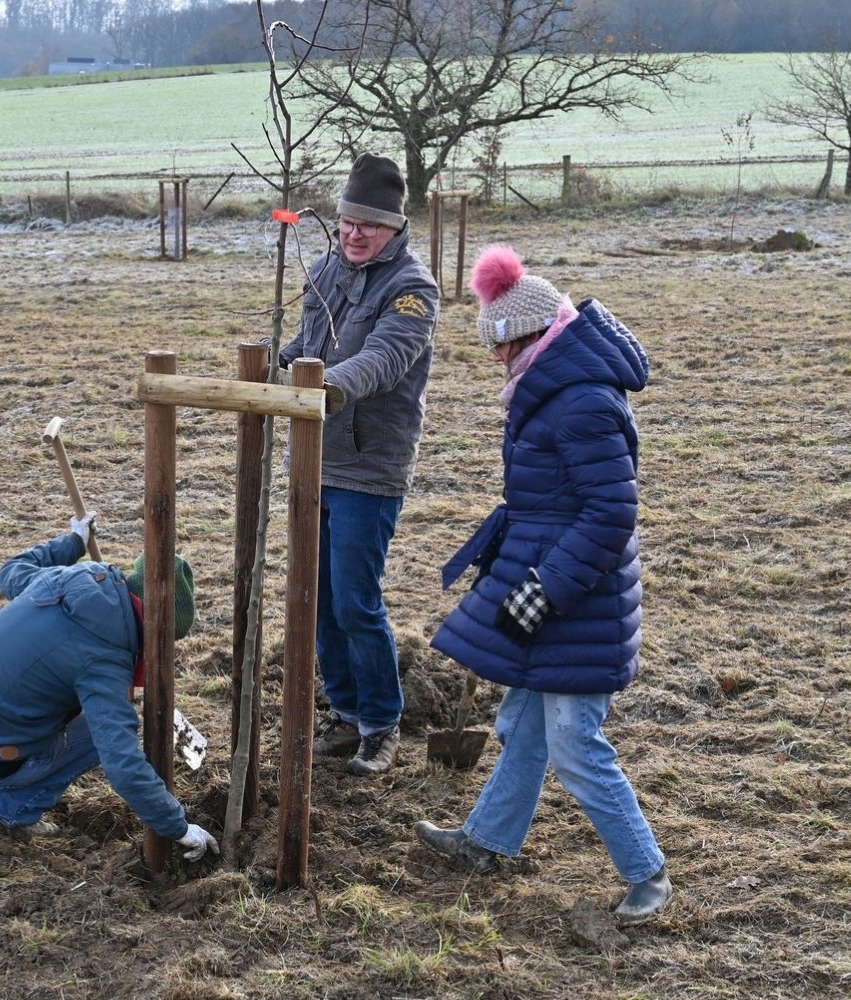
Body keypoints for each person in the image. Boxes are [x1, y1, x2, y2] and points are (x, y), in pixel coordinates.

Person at [413, 246, 672, 926]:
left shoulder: (581, 401)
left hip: (578, 601)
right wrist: (507, 560)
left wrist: (548, 588)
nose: (498, 361)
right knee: (522, 725)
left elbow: (611, 514)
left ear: (538, 334)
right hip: (545, 587)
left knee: (574, 743)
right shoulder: (550, 390)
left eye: (504, 347)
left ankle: (648, 874)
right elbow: (552, 505)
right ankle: (486, 840)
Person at [0, 512, 219, 861]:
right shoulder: (103, 660)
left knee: (87, 712)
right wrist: (178, 827)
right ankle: (8, 810)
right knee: (101, 737)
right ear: (155, 631)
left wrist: (73, 543)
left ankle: (11, 780)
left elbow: (11, 571)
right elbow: (122, 764)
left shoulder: (71, 580)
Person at [279, 153, 440, 776]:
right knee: (316, 599)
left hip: (369, 468)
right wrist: (268, 363)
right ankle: (344, 712)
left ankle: (380, 721)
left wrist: (323, 388)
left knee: (354, 600)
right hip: (312, 458)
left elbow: (383, 361)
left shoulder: (413, 291)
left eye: (367, 227)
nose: (353, 235)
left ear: (395, 228)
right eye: (347, 222)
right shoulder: (325, 269)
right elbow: (302, 346)